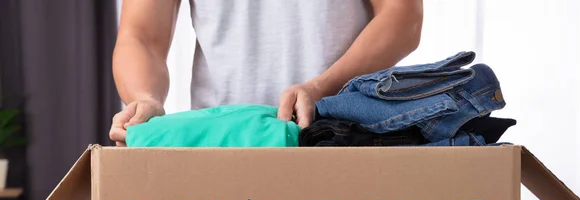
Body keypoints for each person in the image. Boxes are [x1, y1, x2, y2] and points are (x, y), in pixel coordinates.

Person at [109, 0, 423, 147]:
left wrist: (321, 87)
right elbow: (140, 36)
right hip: (221, 149)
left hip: (340, 139)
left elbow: (403, 16)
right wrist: (144, 98)